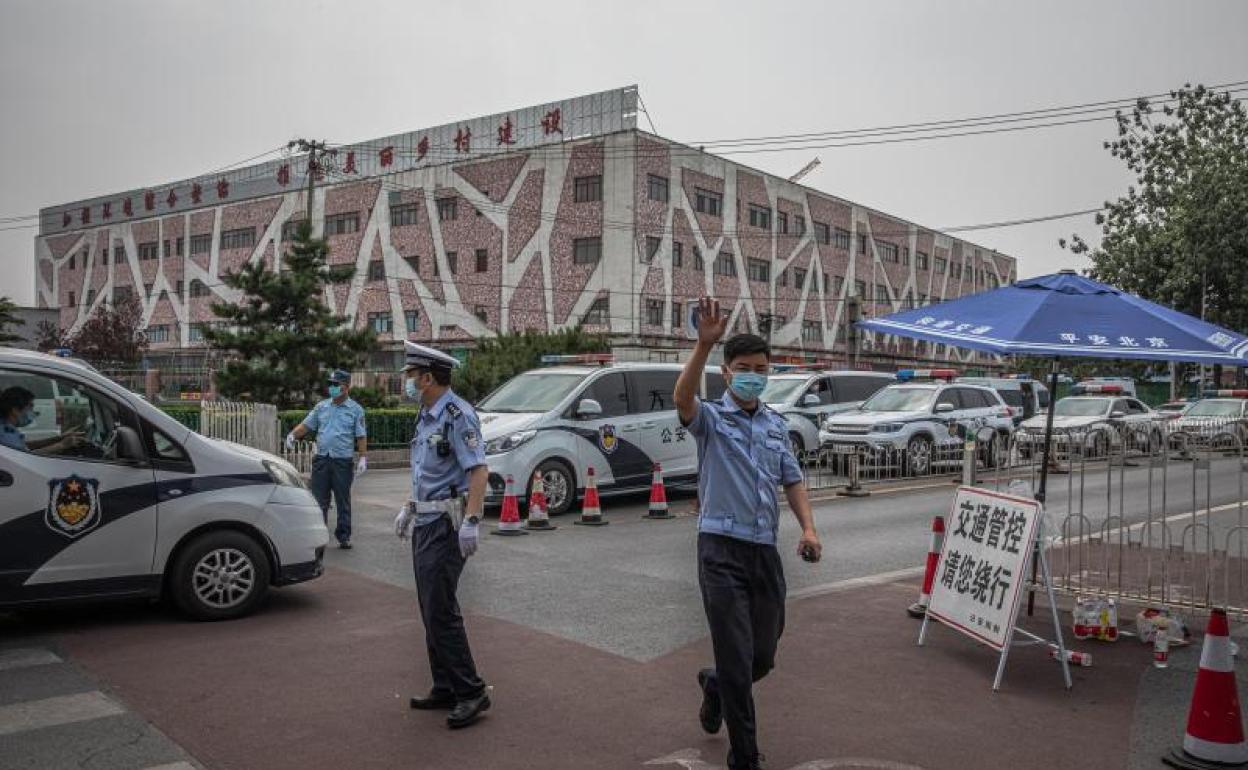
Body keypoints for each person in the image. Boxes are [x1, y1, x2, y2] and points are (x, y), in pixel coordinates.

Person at [673, 296, 823, 770]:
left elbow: (792, 478)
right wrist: (702, 345)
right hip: (719, 549)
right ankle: (745, 756)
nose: (753, 373)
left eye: (760, 367)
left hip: (763, 553)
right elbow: (682, 399)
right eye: (743, 367)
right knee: (738, 656)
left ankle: (715, 685)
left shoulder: (777, 425)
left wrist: (809, 528)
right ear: (727, 372)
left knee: (762, 657)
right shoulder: (712, 421)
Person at [393, 341, 491, 729]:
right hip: (425, 521)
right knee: (429, 608)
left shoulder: (457, 415)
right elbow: (425, 470)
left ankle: (471, 691)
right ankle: (445, 685)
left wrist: (471, 520)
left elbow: (478, 470)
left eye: (412, 377)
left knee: (441, 610)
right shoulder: (426, 414)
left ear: (428, 378)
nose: (409, 383)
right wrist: (409, 505)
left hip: (447, 525)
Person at [286, 369, 367, 549]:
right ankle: (318, 535)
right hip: (322, 459)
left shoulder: (355, 410)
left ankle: (343, 536)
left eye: (335, 385)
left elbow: (361, 436)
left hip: (342, 461)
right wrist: (292, 435)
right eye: (330, 384)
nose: (331, 387)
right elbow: (306, 425)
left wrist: (363, 458)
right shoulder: (321, 407)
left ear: (345, 387)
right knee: (319, 500)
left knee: (342, 500)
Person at [0, 386, 81, 454]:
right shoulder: (6, 435)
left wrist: (58, 438)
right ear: (15, 410)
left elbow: (26, 446)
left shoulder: (8, 429)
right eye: (30, 407)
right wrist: (61, 445)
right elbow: (25, 458)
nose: (33, 412)